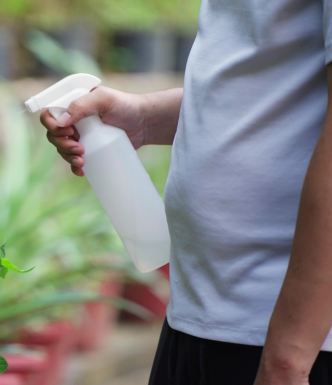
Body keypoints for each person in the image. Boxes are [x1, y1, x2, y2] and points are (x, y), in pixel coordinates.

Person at [38, 1, 332, 384]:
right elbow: (269, 84)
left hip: (289, 341)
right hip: (203, 317)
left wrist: (288, 361)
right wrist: (145, 116)